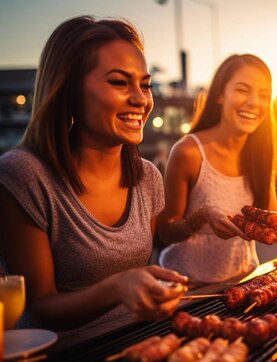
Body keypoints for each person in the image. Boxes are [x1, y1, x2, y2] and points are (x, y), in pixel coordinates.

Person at [0, 16, 187, 331]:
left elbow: (142, 276)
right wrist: (117, 288)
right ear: (70, 91)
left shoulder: (148, 177)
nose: (141, 99)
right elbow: (41, 306)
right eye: (118, 82)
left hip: (132, 350)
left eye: (145, 84)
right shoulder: (23, 175)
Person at [157, 54, 277, 284]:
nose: (254, 102)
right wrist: (201, 216)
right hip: (184, 287)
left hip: (241, 284)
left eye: (264, 95)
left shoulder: (261, 154)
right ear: (220, 95)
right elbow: (166, 232)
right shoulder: (188, 151)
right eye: (243, 90)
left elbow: (273, 230)